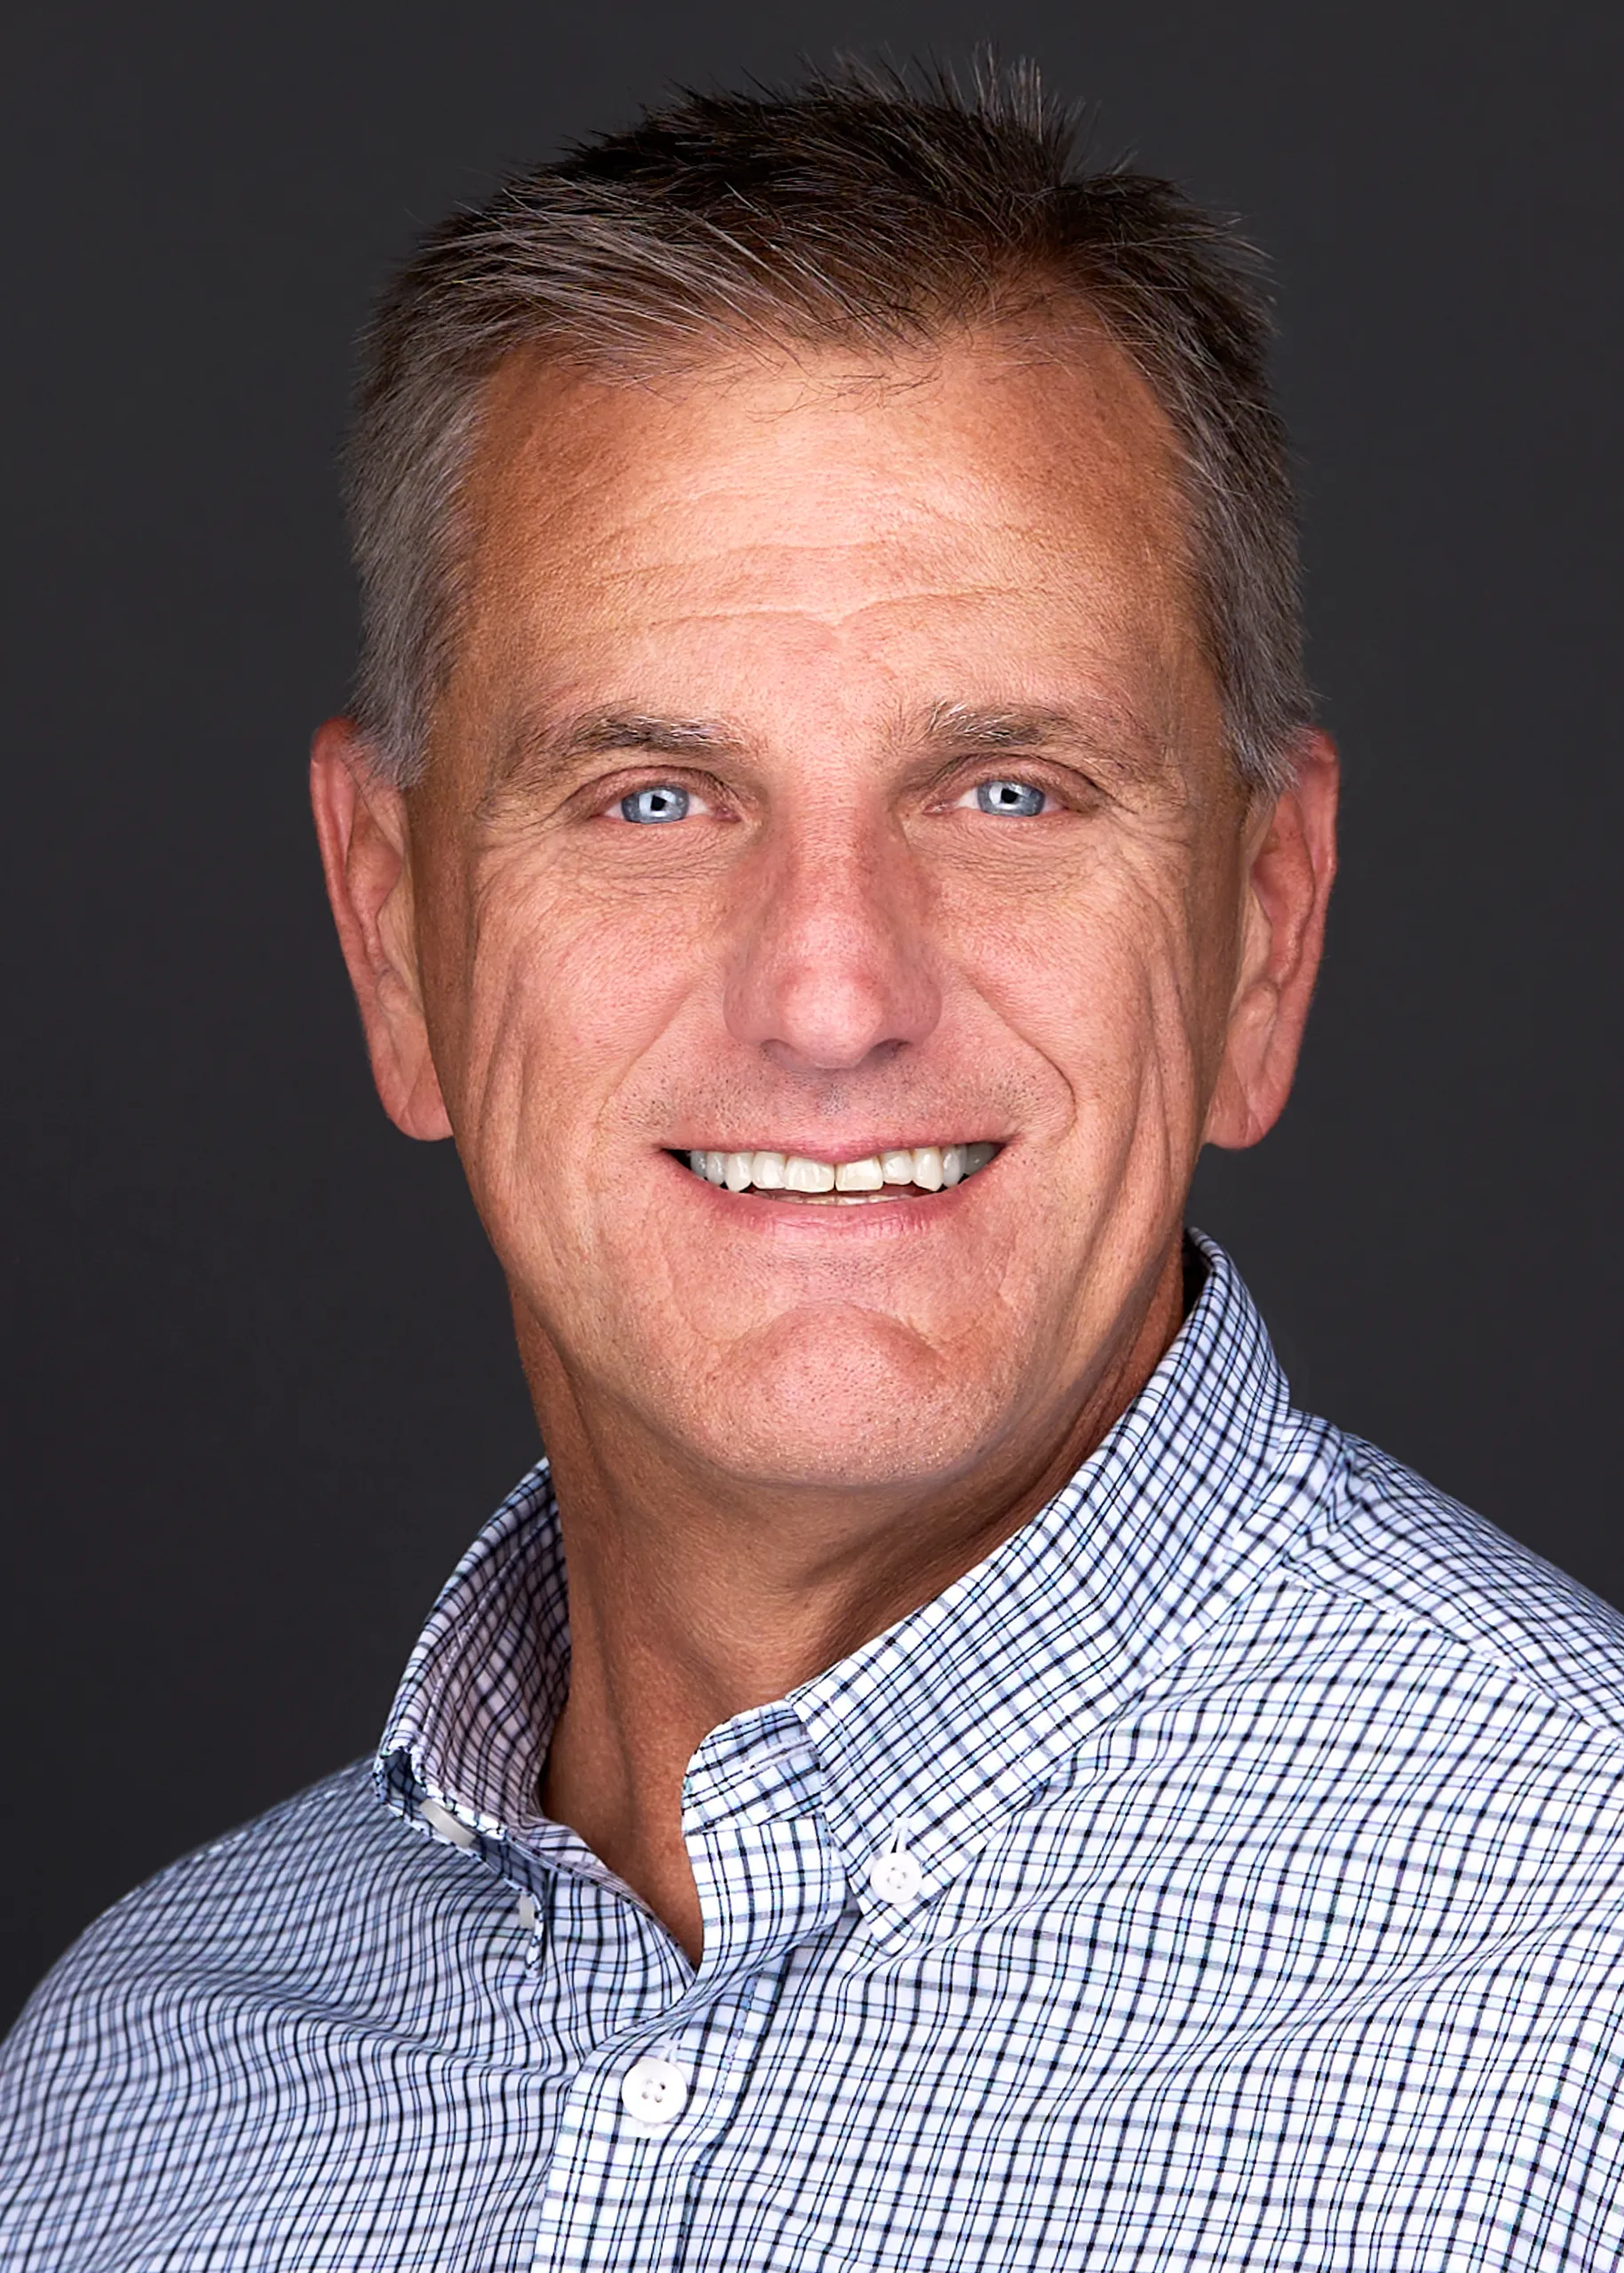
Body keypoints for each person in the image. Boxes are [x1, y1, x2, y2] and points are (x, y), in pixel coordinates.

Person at [4, 61, 1622, 2269]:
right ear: (391, 931)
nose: (834, 991)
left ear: (1267, 927)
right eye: (653, 795)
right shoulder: (118, 2097)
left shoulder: (1581, 2013)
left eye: (1010, 789)